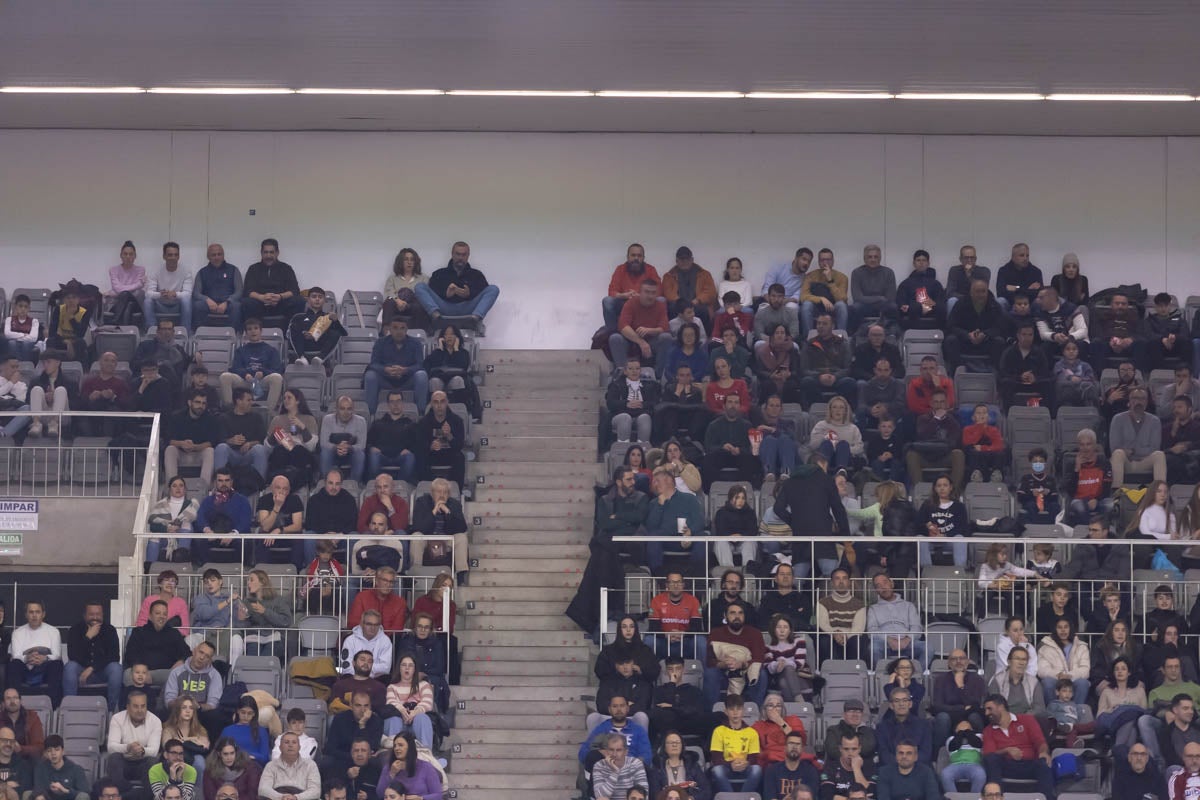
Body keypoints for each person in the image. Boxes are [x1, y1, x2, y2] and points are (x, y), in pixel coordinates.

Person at [772, 456, 850, 579]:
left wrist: (794, 521)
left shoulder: (790, 481)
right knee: (832, 579)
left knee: (798, 582)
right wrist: (845, 536)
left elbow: (778, 508)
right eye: (825, 467)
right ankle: (827, 599)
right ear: (820, 464)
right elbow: (838, 509)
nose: (825, 471)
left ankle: (796, 598)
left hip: (800, 537)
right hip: (824, 538)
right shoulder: (826, 480)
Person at [980, 694, 1055, 799]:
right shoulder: (988, 730)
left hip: (1029, 764)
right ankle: (995, 797)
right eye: (985, 710)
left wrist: (1043, 752)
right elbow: (989, 753)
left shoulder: (1027, 720)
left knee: (1044, 763)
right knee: (991, 760)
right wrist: (1007, 750)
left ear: (1001, 707)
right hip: (1006, 766)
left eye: (989, 709)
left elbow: (1040, 742)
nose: (986, 713)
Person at [413, 241, 499, 326]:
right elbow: (432, 290)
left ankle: (476, 318)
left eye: (464, 254)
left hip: (468, 308)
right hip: (444, 307)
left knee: (493, 289)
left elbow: (483, 293)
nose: (460, 257)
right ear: (452, 254)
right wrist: (446, 293)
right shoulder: (439, 273)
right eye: (458, 254)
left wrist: (469, 294)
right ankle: (435, 316)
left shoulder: (477, 274)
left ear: (468, 255)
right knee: (420, 286)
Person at [704, 603, 767, 709]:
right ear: (725, 616)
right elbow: (710, 661)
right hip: (723, 671)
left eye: (740, 613)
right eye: (732, 613)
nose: (737, 616)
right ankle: (711, 712)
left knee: (762, 674)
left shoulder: (755, 633)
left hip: (745, 669)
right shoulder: (716, 633)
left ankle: (755, 711)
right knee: (710, 673)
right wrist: (724, 664)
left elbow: (759, 659)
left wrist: (741, 664)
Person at [642, 468, 705, 574]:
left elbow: (700, 522)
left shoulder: (689, 498)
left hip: (687, 538)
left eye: (657, 480)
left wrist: (690, 531)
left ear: (669, 481)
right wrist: (659, 505)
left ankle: (696, 576)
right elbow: (651, 527)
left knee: (703, 538)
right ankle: (658, 577)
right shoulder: (654, 503)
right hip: (665, 540)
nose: (654, 484)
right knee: (653, 538)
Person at [63, 602, 123, 711]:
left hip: (102, 672)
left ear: (102, 615)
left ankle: (113, 711)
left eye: (98, 614)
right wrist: (88, 637)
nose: (95, 617)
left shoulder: (110, 630)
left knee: (116, 668)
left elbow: (114, 656)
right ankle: (69, 709)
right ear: (84, 615)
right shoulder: (75, 630)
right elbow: (72, 655)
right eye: (91, 614)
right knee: (69, 667)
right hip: (80, 672)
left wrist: (92, 668)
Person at [364, 318, 428, 419]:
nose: (399, 331)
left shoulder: (415, 344)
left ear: (407, 329)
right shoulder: (380, 343)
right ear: (390, 329)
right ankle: (370, 414)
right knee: (370, 376)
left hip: (407, 379)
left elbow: (420, 365)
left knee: (422, 375)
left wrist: (405, 370)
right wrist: (386, 369)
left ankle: (421, 413)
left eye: (402, 328)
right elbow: (374, 364)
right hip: (386, 379)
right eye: (395, 328)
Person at [219, 318, 284, 411]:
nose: (253, 331)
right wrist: (245, 374)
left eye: (256, 328)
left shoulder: (271, 350)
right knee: (224, 376)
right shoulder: (240, 351)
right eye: (249, 329)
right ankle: (230, 412)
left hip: (262, 380)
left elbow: (277, 369)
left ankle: (269, 414)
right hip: (245, 380)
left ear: (261, 331)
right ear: (246, 332)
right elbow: (235, 368)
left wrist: (263, 373)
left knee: (277, 377)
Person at [7, 602, 63, 708]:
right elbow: (16, 655)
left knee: (57, 664)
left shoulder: (53, 631)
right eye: (31, 612)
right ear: (26, 615)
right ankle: (14, 706)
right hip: (25, 669)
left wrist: (44, 658)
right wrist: (27, 658)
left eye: (37, 612)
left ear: (43, 614)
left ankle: (54, 707)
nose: (34, 615)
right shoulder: (17, 632)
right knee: (14, 664)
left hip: (45, 670)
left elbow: (57, 654)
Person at [906, 390, 965, 490]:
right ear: (931, 404)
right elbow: (922, 435)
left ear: (946, 403)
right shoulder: (922, 418)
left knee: (958, 454)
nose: (939, 405)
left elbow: (955, 441)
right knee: (911, 454)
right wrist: (936, 418)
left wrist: (948, 418)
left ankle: (953, 491)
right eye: (936, 402)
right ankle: (920, 490)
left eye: (942, 402)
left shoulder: (953, 419)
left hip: (945, 456)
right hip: (926, 457)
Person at [945, 278, 1007, 372]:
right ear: (971, 292)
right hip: (965, 342)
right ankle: (957, 372)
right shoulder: (960, 304)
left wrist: (985, 334)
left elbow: (1001, 327)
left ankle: (994, 373)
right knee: (950, 340)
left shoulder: (994, 305)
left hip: (986, 343)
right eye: (977, 291)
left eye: (983, 291)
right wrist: (967, 335)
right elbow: (951, 326)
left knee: (999, 341)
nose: (981, 294)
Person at [612, 280, 674, 375]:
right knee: (615, 338)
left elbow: (664, 328)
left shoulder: (660, 305)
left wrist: (650, 330)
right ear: (640, 293)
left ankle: (658, 376)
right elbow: (623, 326)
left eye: (653, 293)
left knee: (666, 337)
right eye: (647, 292)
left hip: (652, 341)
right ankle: (623, 375)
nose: (650, 296)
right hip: (632, 341)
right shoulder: (630, 303)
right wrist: (641, 342)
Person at [702, 394, 762, 492]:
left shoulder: (747, 425)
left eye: (736, 403)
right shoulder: (713, 425)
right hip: (720, 455)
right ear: (724, 406)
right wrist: (722, 447)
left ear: (739, 406)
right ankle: (714, 491)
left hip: (740, 456)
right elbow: (708, 447)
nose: (733, 406)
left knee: (751, 461)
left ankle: (744, 490)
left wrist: (740, 450)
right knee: (707, 461)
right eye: (730, 402)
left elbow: (752, 449)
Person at [580, 695, 654, 772]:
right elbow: (583, 753)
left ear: (627, 708)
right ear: (609, 709)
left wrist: (631, 764)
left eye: (622, 706)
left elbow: (647, 756)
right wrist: (601, 753)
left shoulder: (638, 730)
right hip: (605, 770)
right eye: (615, 706)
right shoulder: (601, 729)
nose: (619, 709)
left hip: (631, 771)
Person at [125, 600, 190, 686]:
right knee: (128, 674)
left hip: (166, 673)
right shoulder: (138, 632)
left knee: (181, 674)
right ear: (150, 616)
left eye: (164, 614)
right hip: (142, 672)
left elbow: (187, 653)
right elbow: (130, 655)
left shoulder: (174, 633)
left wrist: (182, 661)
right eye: (158, 613)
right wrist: (142, 671)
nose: (161, 616)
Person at [1111, 386, 1167, 485]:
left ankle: (1160, 496)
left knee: (1159, 455)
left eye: (1142, 399)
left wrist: (1132, 450)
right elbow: (1114, 447)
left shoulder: (1155, 421)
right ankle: (1117, 497)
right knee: (1118, 453)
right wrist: (1140, 450)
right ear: (1129, 401)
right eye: (1135, 398)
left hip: (1145, 463)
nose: (1138, 402)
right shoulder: (1118, 419)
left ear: (1146, 402)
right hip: (1125, 462)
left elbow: (1154, 448)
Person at [799, 313, 856, 409]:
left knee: (849, 382)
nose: (820, 326)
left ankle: (840, 408)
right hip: (816, 378)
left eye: (824, 324)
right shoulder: (809, 344)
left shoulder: (842, 343)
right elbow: (804, 369)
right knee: (806, 382)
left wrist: (835, 376)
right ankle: (819, 408)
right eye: (818, 324)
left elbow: (848, 368)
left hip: (837, 378)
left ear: (833, 326)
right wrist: (819, 376)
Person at [867, 574, 925, 669]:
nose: (883, 587)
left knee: (928, 648)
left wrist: (906, 640)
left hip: (907, 643)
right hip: (885, 643)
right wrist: (889, 639)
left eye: (885, 582)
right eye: (878, 585)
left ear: (892, 583)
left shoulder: (908, 606)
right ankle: (882, 675)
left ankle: (914, 674)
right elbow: (871, 631)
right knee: (874, 648)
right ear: (876, 591)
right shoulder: (873, 609)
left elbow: (917, 628)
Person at [931, 649, 986, 749]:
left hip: (970, 717)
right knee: (943, 718)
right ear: (949, 663)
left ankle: (981, 752)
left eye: (962, 658)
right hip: (949, 717)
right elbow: (938, 706)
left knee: (975, 717)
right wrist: (962, 709)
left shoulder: (977, 679)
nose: (958, 662)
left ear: (967, 661)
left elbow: (975, 705)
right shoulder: (940, 680)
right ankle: (937, 756)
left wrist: (961, 686)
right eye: (954, 659)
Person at [105, 689, 162, 785]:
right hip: (123, 763)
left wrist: (142, 750)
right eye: (135, 706)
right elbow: (111, 747)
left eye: (143, 706)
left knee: (153, 762)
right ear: (128, 707)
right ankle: (121, 794)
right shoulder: (117, 718)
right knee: (114, 758)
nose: (140, 710)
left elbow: (154, 751)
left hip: (143, 763)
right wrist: (128, 747)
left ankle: (146, 796)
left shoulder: (155, 721)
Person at [709, 695, 762, 795]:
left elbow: (754, 757)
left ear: (743, 711)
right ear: (726, 712)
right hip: (726, 767)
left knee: (757, 769)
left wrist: (746, 763)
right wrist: (730, 764)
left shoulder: (752, 732)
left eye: (739, 709)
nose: (735, 713)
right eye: (731, 709)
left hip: (745, 767)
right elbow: (716, 758)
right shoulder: (719, 731)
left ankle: (742, 797)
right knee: (717, 770)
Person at [235, 570, 292, 661]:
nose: (248, 583)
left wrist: (265, 611)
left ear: (262, 582)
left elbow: (286, 621)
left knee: (265, 660)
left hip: (274, 638)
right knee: (252, 661)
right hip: (254, 638)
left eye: (251, 580)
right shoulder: (247, 602)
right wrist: (241, 619)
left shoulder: (278, 600)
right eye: (248, 581)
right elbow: (242, 627)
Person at [604, 244, 662, 331]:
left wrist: (641, 296)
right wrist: (624, 295)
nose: (636, 258)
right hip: (624, 303)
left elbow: (659, 291)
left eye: (639, 256)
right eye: (633, 255)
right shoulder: (620, 269)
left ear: (643, 258)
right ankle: (614, 333)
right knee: (607, 301)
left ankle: (655, 331)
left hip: (644, 304)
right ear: (627, 257)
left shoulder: (650, 269)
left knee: (662, 300)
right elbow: (611, 291)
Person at [414, 390, 465, 487]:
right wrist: (430, 446)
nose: (439, 405)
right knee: (420, 456)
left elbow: (460, 445)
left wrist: (449, 436)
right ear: (431, 404)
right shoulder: (423, 422)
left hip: (449, 454)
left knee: (460, 457)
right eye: (436, 402)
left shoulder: (457, 421)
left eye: (442, 401)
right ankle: (426, 488)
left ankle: (456, 489)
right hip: (431, 455)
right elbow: (418, 444)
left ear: (447, 403)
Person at [998, 323, 1052, 409]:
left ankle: (1050, 416)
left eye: (1030, 335)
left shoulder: (1039, 352)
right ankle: (1007, 415)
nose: (1027, 338)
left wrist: (1035, 378)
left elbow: (1045, 372)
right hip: (1016, 383)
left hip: (1034, 384)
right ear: (1018, 335)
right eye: (1024, 334)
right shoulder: (1009, 352)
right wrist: (1020, 377)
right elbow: (1003, 372)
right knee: (1006, 383)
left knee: (1048, 384)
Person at [1037, 618, 1090, 705]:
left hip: (1073, 679)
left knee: (1083, 683)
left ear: (1070, 629)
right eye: (1059, 627)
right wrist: (1058, 675)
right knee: (1047, 682)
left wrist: (1070, 675)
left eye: (1066, 627)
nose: (1063, 630)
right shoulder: (1045, 647)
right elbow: (1042, 669)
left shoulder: (1081, 646)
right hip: (1056, 679)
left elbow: (1085, 669)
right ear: (1055, 629)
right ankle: (1053, 714)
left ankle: (1075, 712)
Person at [1092, 291, 1148, 373]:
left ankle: (1137, 377)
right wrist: (1111, 340)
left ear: (1128, 305)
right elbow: (1096, 332)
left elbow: (1142, 334)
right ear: (1111, 304)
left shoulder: (1135, 317)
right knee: (1096, 343)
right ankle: (1100, 377)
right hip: (1108, 344)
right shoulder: (1102, 316)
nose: (1120, 306)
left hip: (1129, 345)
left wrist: (1131, 339)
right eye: (1117, 303)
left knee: (1141, 344)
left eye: (1123, 304)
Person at [254, 475, 304, 566]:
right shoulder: (264, 500)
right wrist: (277, 506)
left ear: (288, 491)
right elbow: (265, 527)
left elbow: (298, 526)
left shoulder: (295, 500)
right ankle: (262, 571)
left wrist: (279, 530)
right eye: (278, 488)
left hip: (288, 535)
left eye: (285, 489)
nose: (281, 491)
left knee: (299, 540)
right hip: (268, 535)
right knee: (262, 538)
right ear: (272, 488)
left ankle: (296, 572)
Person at [287, 287, 345, 365]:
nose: (317, 299)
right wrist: (304, 333)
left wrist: (336, 321)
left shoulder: (329, 317)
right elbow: (289, 335)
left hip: (321, 347)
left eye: (320, 297)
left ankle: (320, 359)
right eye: (314, 297)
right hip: (303, 344)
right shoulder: (298, 317)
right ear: (308, 299)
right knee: (294, 328)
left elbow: (343, 334)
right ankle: (301, 357)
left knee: (336, 332)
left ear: (324, 300)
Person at [662, 246, 717, 328]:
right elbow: (668, 293)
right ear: (677, 261)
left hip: (697, 304)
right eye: (682, 259)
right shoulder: (669, 276)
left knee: (703, 310)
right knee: (671, 308)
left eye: (687, 259)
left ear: (692, 260)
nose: (685, 261)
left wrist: (698, 300)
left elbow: (711, 292)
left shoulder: (705, 274)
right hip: (678, 305)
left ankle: (705, 338)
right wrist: (681, 304)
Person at [375, 733, 441, 800]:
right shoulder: (389, 768)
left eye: (400, 745)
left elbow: (438, 796)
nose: (396, 748)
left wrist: (421, 798)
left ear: (410, 747)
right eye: (395, 746)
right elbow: (380, 794)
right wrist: (391, 774)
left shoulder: (426, 767)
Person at [763, 616, 815, 702]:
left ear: (790, 630)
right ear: (773, 629)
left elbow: (799, 663)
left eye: (785, 627)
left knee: (788, 670)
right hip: (779, 679)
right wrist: (777, 665)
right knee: (783, 680)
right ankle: (799, 703)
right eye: (779, 627)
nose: (782, 631)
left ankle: (795, 704)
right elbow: (768, 667)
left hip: (800, 678)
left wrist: (783, 662)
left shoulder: (799, 641)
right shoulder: (768, 647)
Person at [875, 688, 932, 766]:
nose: (901, 704)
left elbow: (926, 753)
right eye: (897, 701)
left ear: (910, 704)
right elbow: (884, 754)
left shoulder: (924, 725)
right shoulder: (882, 727)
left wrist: (908, 765)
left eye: (905, 700)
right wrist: (901, 766)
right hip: (892, 769)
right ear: (891, 705)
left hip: (918, 768)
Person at [648, 730, 711, 800]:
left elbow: (706, 791)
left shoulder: (692, 765)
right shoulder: (658, 767)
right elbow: (654, 794)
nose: (674, 745)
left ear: (682, 746)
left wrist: (692, 798)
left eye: (677, 742)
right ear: (664, 747)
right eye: (671, 743)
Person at [25, 350, 75, 439]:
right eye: (43, 362)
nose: (45, 365)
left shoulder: (69, 382)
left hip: (63, 416)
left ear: (58, 363)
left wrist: (55, 399)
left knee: (61, 390)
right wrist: (45, 398)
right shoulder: (36, 381)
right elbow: (28, 401)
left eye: (48, 362)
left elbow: (76, 403)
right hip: (43, 415)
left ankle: (54, 423)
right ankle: (36, 424)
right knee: (37, 389)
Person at [192, 245, 243, 329]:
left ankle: (234, 335)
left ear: (223, 255)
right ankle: (199, 335)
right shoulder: (202, 272)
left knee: (236, 306)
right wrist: (207, 300)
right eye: (213, 255)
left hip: (228, 303)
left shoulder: (233, 270)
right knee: (197, 305)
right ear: (208, 257)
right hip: (208, 303)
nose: (217, 257)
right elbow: (196, 293)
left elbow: (239, 291)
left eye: (219, 254)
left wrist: (227, 302)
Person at [144, 242, 193, 331]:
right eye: (170, 255)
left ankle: (185, 332)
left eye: (176, 255)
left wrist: (175, 294)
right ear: (164, 256)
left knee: (187, 301)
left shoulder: (186, 271)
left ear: (179, 256)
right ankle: (152, 331)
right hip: (161, 304)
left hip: (177, 305)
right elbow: (148, 293)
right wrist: (161, 294)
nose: (173, 258)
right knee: (147, 301)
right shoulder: (155, 270)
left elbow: (188, 294)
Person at [257, 731, 319, 800]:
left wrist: (296, 798)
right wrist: (281, 797)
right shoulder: (271, 765)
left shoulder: (310, 765)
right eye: (286, 742)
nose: (290, 745)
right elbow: (263, 789)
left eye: (294, 742)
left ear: (299, 747)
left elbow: (315, 791)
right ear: (280, 747)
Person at [608, 359, 659, 444]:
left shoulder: (650, 386)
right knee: (625, 418)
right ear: (625, 371)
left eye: (637, 368)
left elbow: (656, 403)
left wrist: (642, 405)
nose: (634, 371)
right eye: (631, 369)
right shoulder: (616, 385)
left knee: (645, 418)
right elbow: (610, 403)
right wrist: (626, 404)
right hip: (620, 416)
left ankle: (643, 448)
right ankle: (622, 447)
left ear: (640, 371)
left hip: (642, 413)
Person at [319, 396, 367, 484]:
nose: (346, 412)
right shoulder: (327, 419)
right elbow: (323, 443)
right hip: (332, 453)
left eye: (349, 409)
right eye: (342, 409)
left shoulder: (361, 421)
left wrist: (348, 447)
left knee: (360, 454)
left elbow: (362, 446)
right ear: (336, 409)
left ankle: (354, 484)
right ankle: (326, 483)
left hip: (351, 454)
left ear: (353, 410)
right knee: (325, 453)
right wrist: (337, 447)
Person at [799, 249, 849, 334]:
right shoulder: (810, 276)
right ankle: (807, 339)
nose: (825, 262)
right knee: (806, 305)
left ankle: (841, 338)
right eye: (822, 260)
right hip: (816, 307)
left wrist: (830, 280)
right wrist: (821, 299)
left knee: (841, 305)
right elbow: (803, 297)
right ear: (819, 262)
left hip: (833, 307)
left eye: (828, 260)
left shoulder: (842, 277)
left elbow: (842, 299)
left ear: (833, 261)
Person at [896, 250, 946, 331]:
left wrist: (930, 305)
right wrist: (905, 306)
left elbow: (941, 301)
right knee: (915, 306)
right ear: (914, 263)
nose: (921, 263)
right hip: (913, 312)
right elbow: (900, 302)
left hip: (932, 311)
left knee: (941, 307)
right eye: (918, 260)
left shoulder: (936, 284)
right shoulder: (905, 284)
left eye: (924, 260)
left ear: (928, 263)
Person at [849, 244, 897, 327]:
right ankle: (857, 334)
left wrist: (878, 300)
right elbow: (857, 297)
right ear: (864, 259)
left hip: (883, 306)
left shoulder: (889, 272)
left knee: (893, 306)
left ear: (880, 258)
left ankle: (891, 334)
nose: (873, 259)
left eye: (876, 257)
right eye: (870, 257)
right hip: (864, 306)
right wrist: (879, 298)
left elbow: (890, 297)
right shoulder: (856, 273)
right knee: (855, 307)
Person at [818, 732, 876, 800]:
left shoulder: (869, 766)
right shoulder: (830, 767)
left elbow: (872, 795)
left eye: (854, 749)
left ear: (859, 748)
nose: (850, 753)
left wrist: (857, 769)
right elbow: (826, 796)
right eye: (846, 749)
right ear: (840, 748)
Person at [29, 735, 88, 800]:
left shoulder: (76, 770)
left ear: (63, 751)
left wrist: (65, 791)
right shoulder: (40, 769)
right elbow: (38, 789)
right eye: (49, 751)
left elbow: (84, 794)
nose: (53, 753)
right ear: (45, 754)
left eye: (57, 750)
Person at [44, 286, 92, 365]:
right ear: (64, 300)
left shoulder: (84, 312)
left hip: (75, 340)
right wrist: (65, 341)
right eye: (68, 298)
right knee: (50, 341)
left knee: (81, 342)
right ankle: (51, 366)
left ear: (78, 299)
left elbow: (80, 333)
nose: (71, 300)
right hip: (60, 339)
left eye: (74, 297)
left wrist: (72, 318)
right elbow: (52, 331)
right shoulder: (58, 310)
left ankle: (80, 369)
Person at [754, 284, 802, 353]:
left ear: (784, 298)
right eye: (773, 296)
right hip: (767, 343)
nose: (776, 299)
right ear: (768, 297)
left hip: (785, 342)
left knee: (795, 346)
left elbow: (794, 333)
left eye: (779, 296)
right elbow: (759, 334)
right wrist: (773, 341)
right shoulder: (761, 313)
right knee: (758, 344)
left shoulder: (791, 312)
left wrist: (781, 341)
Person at [1164, 395, 1200, 483]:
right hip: (1172, 458)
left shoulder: (1197, 426)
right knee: (1169, 460)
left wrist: (1186, 446)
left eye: (1180, 407)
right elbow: (1162, 447)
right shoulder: (1167, 428)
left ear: (1189, 409)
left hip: (1193, 457)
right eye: (1174, 407)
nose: (1176, 410)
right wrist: (1173, 433)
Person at [1053, 339, 1099, 408]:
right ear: (1063, 351)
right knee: (1064, 387)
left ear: (1078, 351)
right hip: (1066, 394)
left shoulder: (1085, 365)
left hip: (1084, 392)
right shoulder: (1059, 365)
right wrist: (1071, 378)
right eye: (1068, 349)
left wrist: (1079, 379)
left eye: (1074, 349)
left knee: (1090, 387)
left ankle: (1090, 413)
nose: (1071, 351)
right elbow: (1059, 379)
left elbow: (1091, 378)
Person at [945, 245, 992, 311]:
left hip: (978, 301)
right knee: (952, 301)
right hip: (960, 300)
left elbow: (982, 291)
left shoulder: (984, 271)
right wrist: (966, 299)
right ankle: (951, 321)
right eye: (966, 258)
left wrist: (969, 275)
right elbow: (950, 292)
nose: (969, 260)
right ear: (960, 259)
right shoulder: (954, 270)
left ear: (975, 259)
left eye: (972, 257)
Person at [2, 690, 45, 760]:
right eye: (8, 698)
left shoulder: (32, 718)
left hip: (26, 761)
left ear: (20, 701)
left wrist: (21, 749)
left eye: (15, 698)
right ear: (3, 703)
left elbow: (40, 748)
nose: (12, 701)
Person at [4, 294, 41, 363]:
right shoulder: (9, 319)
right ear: (15, 307)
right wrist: (24, 335)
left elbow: (33, 338)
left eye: (26, 307)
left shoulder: (34, 321)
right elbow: (7, 334)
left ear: (29, 308)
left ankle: (25, 366)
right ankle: (15, 365)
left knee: (26, 344)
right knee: (12, 343)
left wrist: (14, 336)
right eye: (20, 306)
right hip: (14, 343)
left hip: (28, 344)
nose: (23, 309)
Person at [0, 723, 33, 800]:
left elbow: (25, 793)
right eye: (5, 740)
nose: (8, 744)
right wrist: (5, 786)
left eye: (11, 741)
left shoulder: (24, 766)